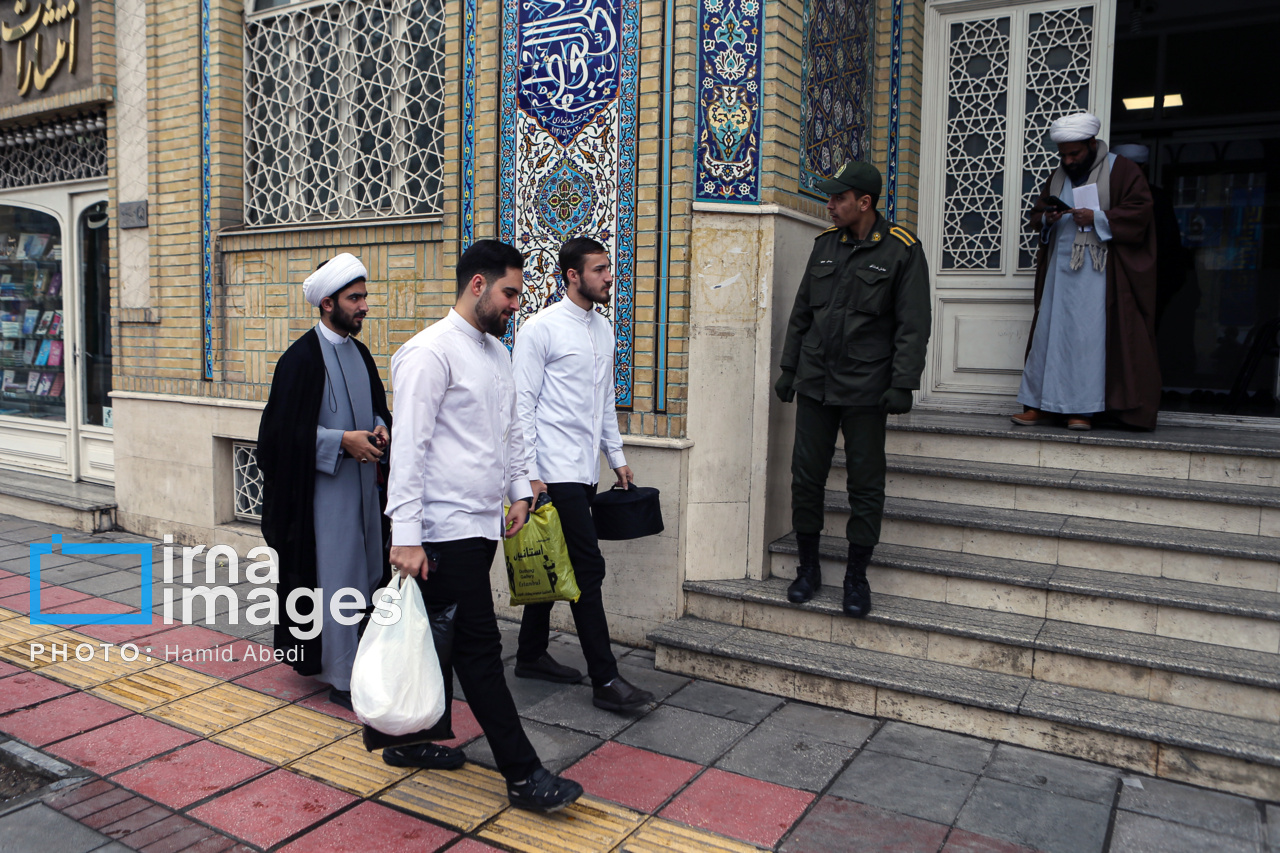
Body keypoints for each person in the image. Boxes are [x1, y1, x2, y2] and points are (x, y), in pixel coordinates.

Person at [384, 239, 584, 813]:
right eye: (509, 292)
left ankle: (408, 740)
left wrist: (519, 491)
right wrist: (406, 536)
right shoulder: (428, 353)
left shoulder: (496, 354)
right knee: (477, 648)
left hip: (482, 526)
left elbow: (513, 430)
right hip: (442, 530)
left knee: (437, 639)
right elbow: (410, 452)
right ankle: (523, 776)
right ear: (477, 285)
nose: (515, 304)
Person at [775, 161, 931, 618]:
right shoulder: (824, 246)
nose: (829, 205)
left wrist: (903, 383)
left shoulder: (902, 250)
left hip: (867, 388)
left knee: (865, 485)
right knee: (805, 479)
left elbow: (912, 325)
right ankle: (808, 568)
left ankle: (856, 576)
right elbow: (802, 313)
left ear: (864, 202)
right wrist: (789, 368)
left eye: (838, 198)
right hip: (816, 384)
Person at [510, 237, 656, 713]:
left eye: (608, 268)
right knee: (586, 569)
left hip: (586, 470)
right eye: (598, 270)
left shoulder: (604, 329)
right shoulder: (540, 330)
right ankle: (606, 679)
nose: (609, 276)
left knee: (562, 560)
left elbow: (603, 403)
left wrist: (617, 457)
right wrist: (528, 476)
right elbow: (522, 407)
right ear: (572, 276)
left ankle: (530, 654)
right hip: (552, 473)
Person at [257, 253, 391, 712]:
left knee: (369, 576)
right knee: (337, 582)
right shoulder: (299, 360)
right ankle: (340, 674)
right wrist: (340, 442)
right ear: (327, 303)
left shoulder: (361, 354)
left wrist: (380, 426)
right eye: (355, 299)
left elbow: (376, 407)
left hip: (365, 496)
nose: (364, 306)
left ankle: (366, 663)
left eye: (364, 297)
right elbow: (276, 439)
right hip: (323, 501)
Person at [1014, 113, 1159, 432]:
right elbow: (1037, 214)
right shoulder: (1058, 174)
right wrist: (1049, 219)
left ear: (1093, 145)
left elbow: (1139, 213)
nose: (1068, 160)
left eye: (1075, 154)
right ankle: (1040, 404)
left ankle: (1080, 410)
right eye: (1063, 154)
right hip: (1059, 272)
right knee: (1050, 337)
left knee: (1084, 340)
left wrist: (1097, 218)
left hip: (1099, 273)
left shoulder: (1122, 170)